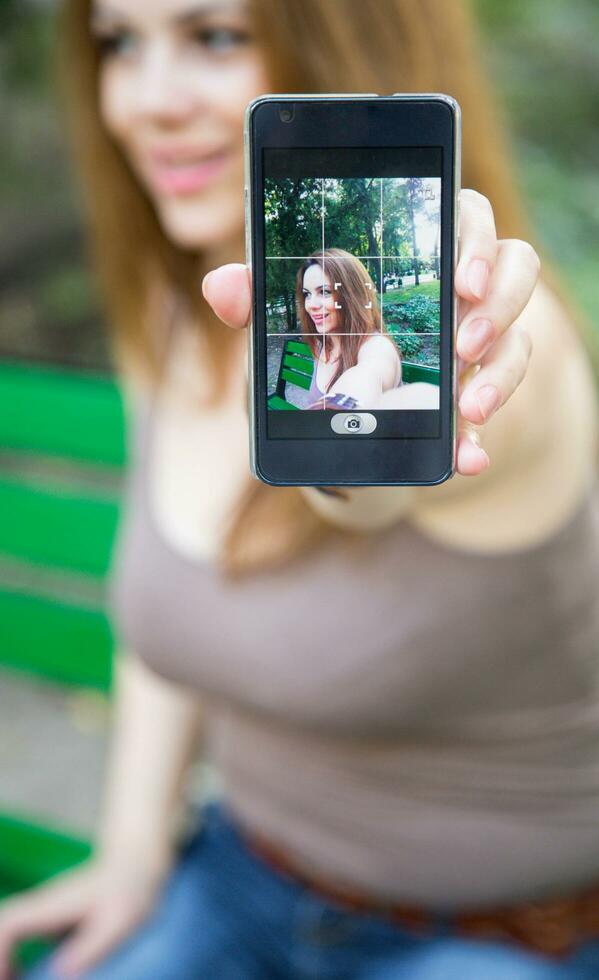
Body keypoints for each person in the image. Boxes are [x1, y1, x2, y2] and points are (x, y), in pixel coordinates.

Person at [1, 0, 598, 977]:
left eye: (214, 35)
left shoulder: (501, 372)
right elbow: (171, 604)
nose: (147, 101)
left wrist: (425, 390)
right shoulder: (175, 305)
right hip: (240, 873)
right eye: (119, 43)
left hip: (494, 933)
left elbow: (369, 486)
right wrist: (130, 848)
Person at [295, 249, 438, 412]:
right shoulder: (322, 344)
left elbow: (368, 375)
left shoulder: (377, 346)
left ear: (352, 295)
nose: (311, 305)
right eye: (307, 294)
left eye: (325, 292)